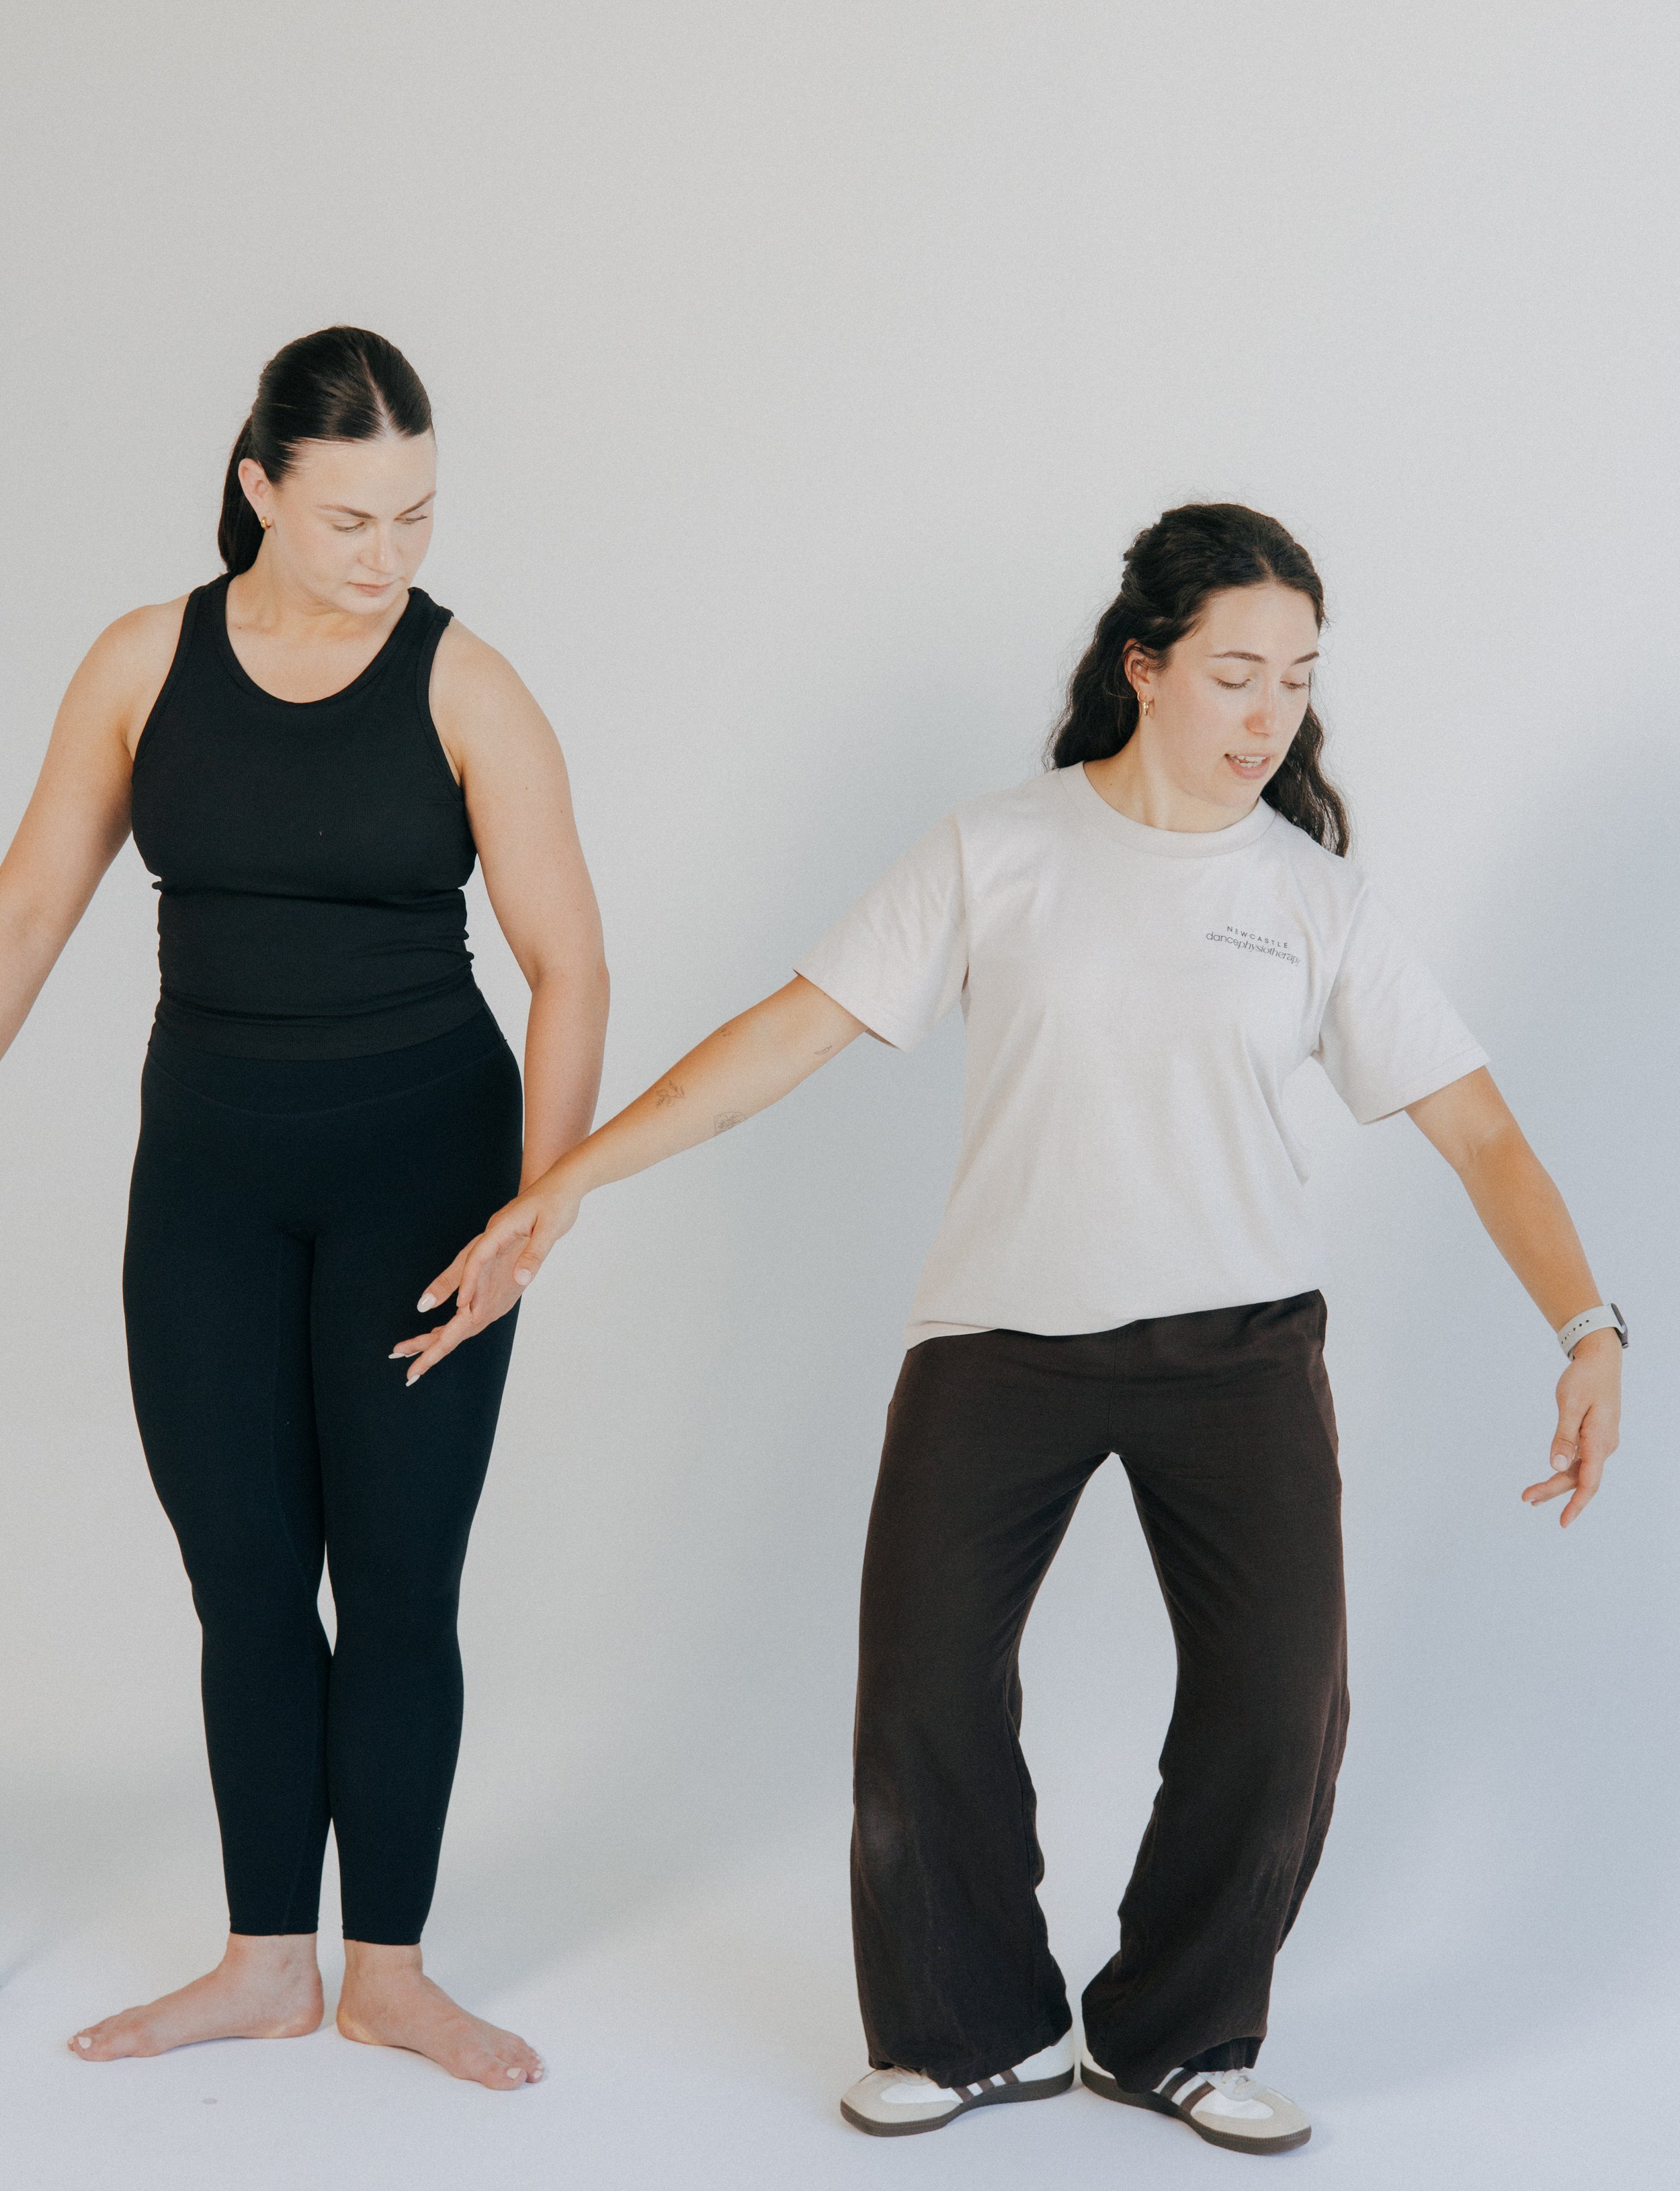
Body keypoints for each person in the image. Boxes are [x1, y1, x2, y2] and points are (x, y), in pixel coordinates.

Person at [396, 502, 1622, 2147]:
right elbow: (785, 1036)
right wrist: (565, 1187)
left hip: (1238, 1349)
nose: (1269, 715)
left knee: (1279, 1707)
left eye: (1296, 680)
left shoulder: (1309, 896)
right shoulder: (999, 850)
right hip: (997, 1338)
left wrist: (1587, 1327)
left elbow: (1480, 1133)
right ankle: (970, 2030)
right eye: (1235, 674)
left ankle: (1176, 2032)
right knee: (923, 1688)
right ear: (1145, 666)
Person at [0, 327, 607, 2089]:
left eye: (416, 515)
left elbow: (570, 965)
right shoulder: (142, 663)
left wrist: (538, 1205)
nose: (387, 553)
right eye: (351, 517)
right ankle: (268, 1961)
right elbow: (29, 908)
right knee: (246, 1578)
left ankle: (391, 1973)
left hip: (428, 1181)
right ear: (259, 488)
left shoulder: (466, 685)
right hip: (209, 1185)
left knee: (400, 1582)